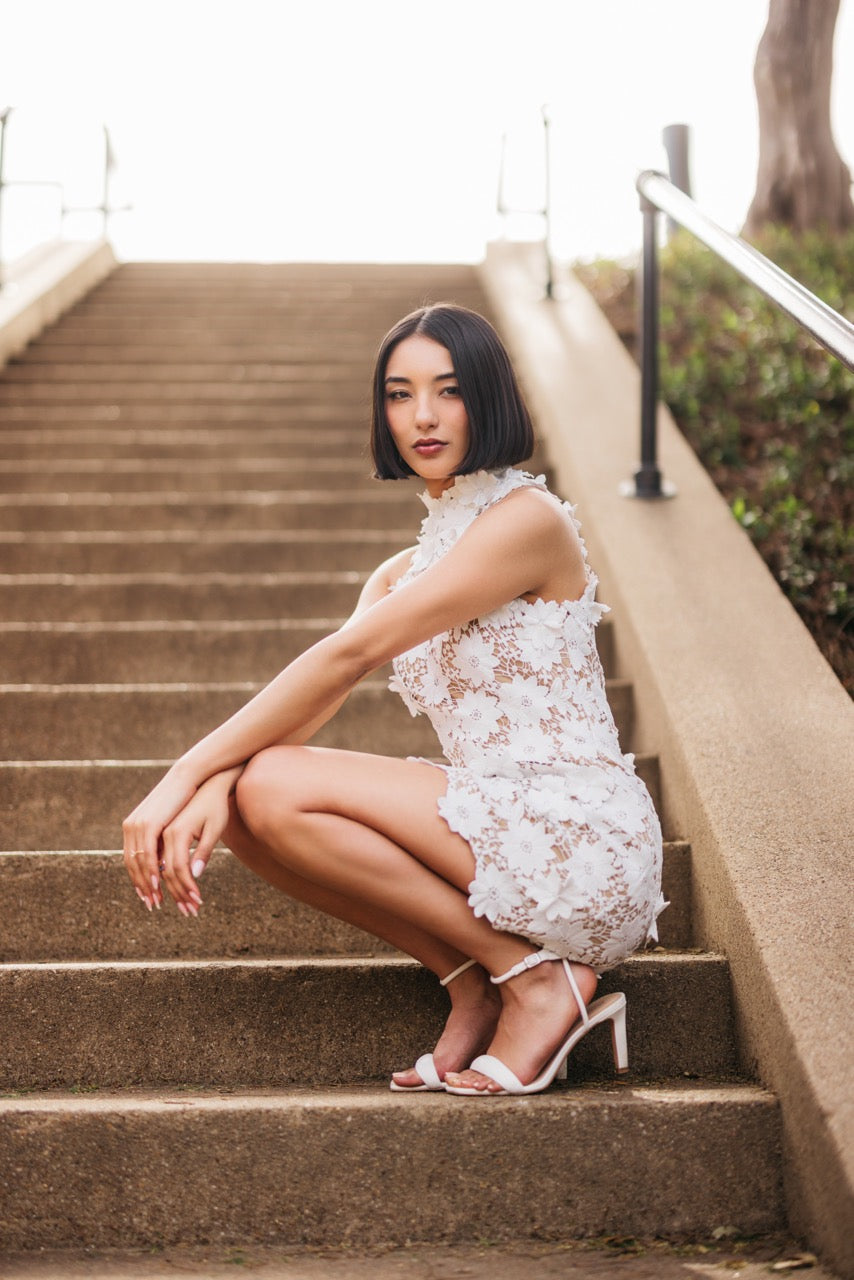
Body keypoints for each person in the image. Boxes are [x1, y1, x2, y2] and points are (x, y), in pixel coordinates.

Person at [123, 303, 664, 1097]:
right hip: (498, 831)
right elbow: (323, 690)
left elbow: (352, 651)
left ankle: (537, 981)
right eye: (399, 394)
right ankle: (477, 981)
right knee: (247, 801)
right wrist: (211, 788)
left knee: (267, 779)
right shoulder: (398, 572)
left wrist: (179, 774)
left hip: (577, 833)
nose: (423, 416)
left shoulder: (528, 520)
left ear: (489, 398)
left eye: (448, 391)